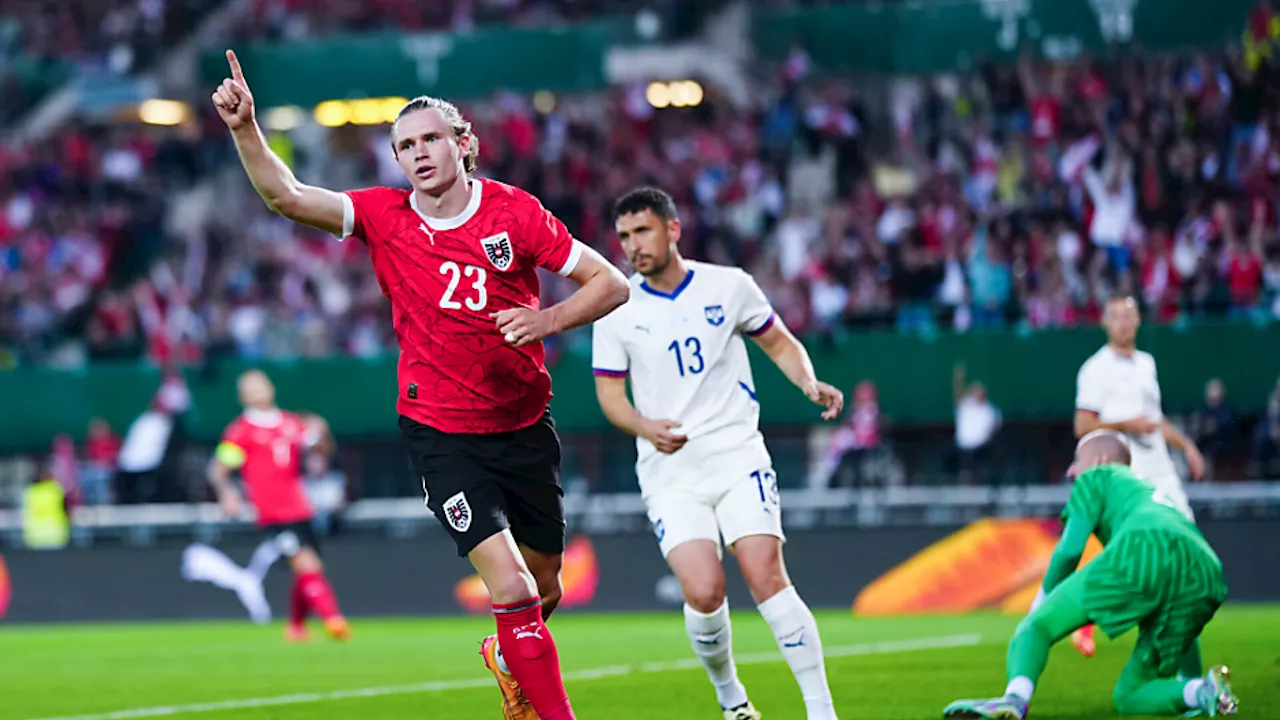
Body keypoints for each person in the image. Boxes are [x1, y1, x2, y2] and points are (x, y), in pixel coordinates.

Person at [212, 50, 629, 720]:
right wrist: (245, 130)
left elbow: (612, 282)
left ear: (463, 144)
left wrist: (546, 317)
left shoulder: (514, 213)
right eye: (404, 146)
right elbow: (286, 196)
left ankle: (507, 653)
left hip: (524, 425)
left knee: (543, 585)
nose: (418, 153)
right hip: (441, 433)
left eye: (430, 138)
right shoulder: (384, 216)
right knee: (515, 587)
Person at [592, 187, 845, 720]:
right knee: (704, 590)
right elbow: (610, 398)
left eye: (643, 231)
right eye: (624, 237)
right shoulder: (614, 308)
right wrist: (644, 426)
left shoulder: (729, 286)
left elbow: (777, 341)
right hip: (669, 471)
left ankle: (821, 711)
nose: (633, 245)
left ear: (673, 229)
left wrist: (808, 382)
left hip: (736, 454)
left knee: (765, 573)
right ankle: (732, 698)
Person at [941, 431, 1238, 719]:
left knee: (1036, 628)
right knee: (1130, 696)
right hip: (1204, 565)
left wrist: (1040, 604)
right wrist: (1189, 678)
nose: (1071, 470)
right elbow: (1188, 630)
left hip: (1142, 546)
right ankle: (1201, 692)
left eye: (1077, 459)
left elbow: (1069, 551)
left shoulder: (1098, 476)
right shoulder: (1151, 495)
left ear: (1101, 460)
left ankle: (1014, 700)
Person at [1069, 294, 1205, 656]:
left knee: (1188, 541)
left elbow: (1155, 420)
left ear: (1139, 321)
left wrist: (1186, 446)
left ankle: (1175, 626)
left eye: (1129, 315)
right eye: (1116, 316)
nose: (1124, 322)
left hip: (1162, 470)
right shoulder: (1095, 369)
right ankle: (1083, 618)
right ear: (1105, 322)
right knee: (1127, 553)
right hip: (1126, 475)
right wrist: (1126, 424)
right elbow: (1082, 425)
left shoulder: (1147, 363)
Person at [208, 370, 349, 642]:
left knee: (309, 569)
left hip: (301, 508)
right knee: (306, 563)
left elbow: (322, 449)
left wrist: (322, 433)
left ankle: (296, 627)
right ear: (242, 396)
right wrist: (227, 493)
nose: (259, 390)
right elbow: (219, 469)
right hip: (272, 512)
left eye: (262, 384)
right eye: (251, 387)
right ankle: (334, 621)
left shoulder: (291, 423)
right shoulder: (241, 431)